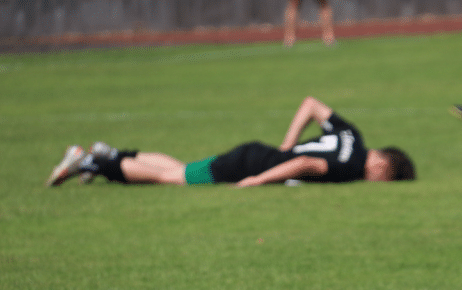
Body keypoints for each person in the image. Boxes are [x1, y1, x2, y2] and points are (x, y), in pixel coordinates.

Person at [46, 97, 415, 187]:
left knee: (180, 167)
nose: (376, 183)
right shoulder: (352, 168)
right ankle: (92, 162)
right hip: (251, 165)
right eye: (385, 180)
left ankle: (110, 154)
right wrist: (259, 180)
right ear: (383, 166)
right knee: (172, 178)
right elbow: (308, 165)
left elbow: (311, 104)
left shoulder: (353, 136)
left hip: (257, 151)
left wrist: (287, 144)